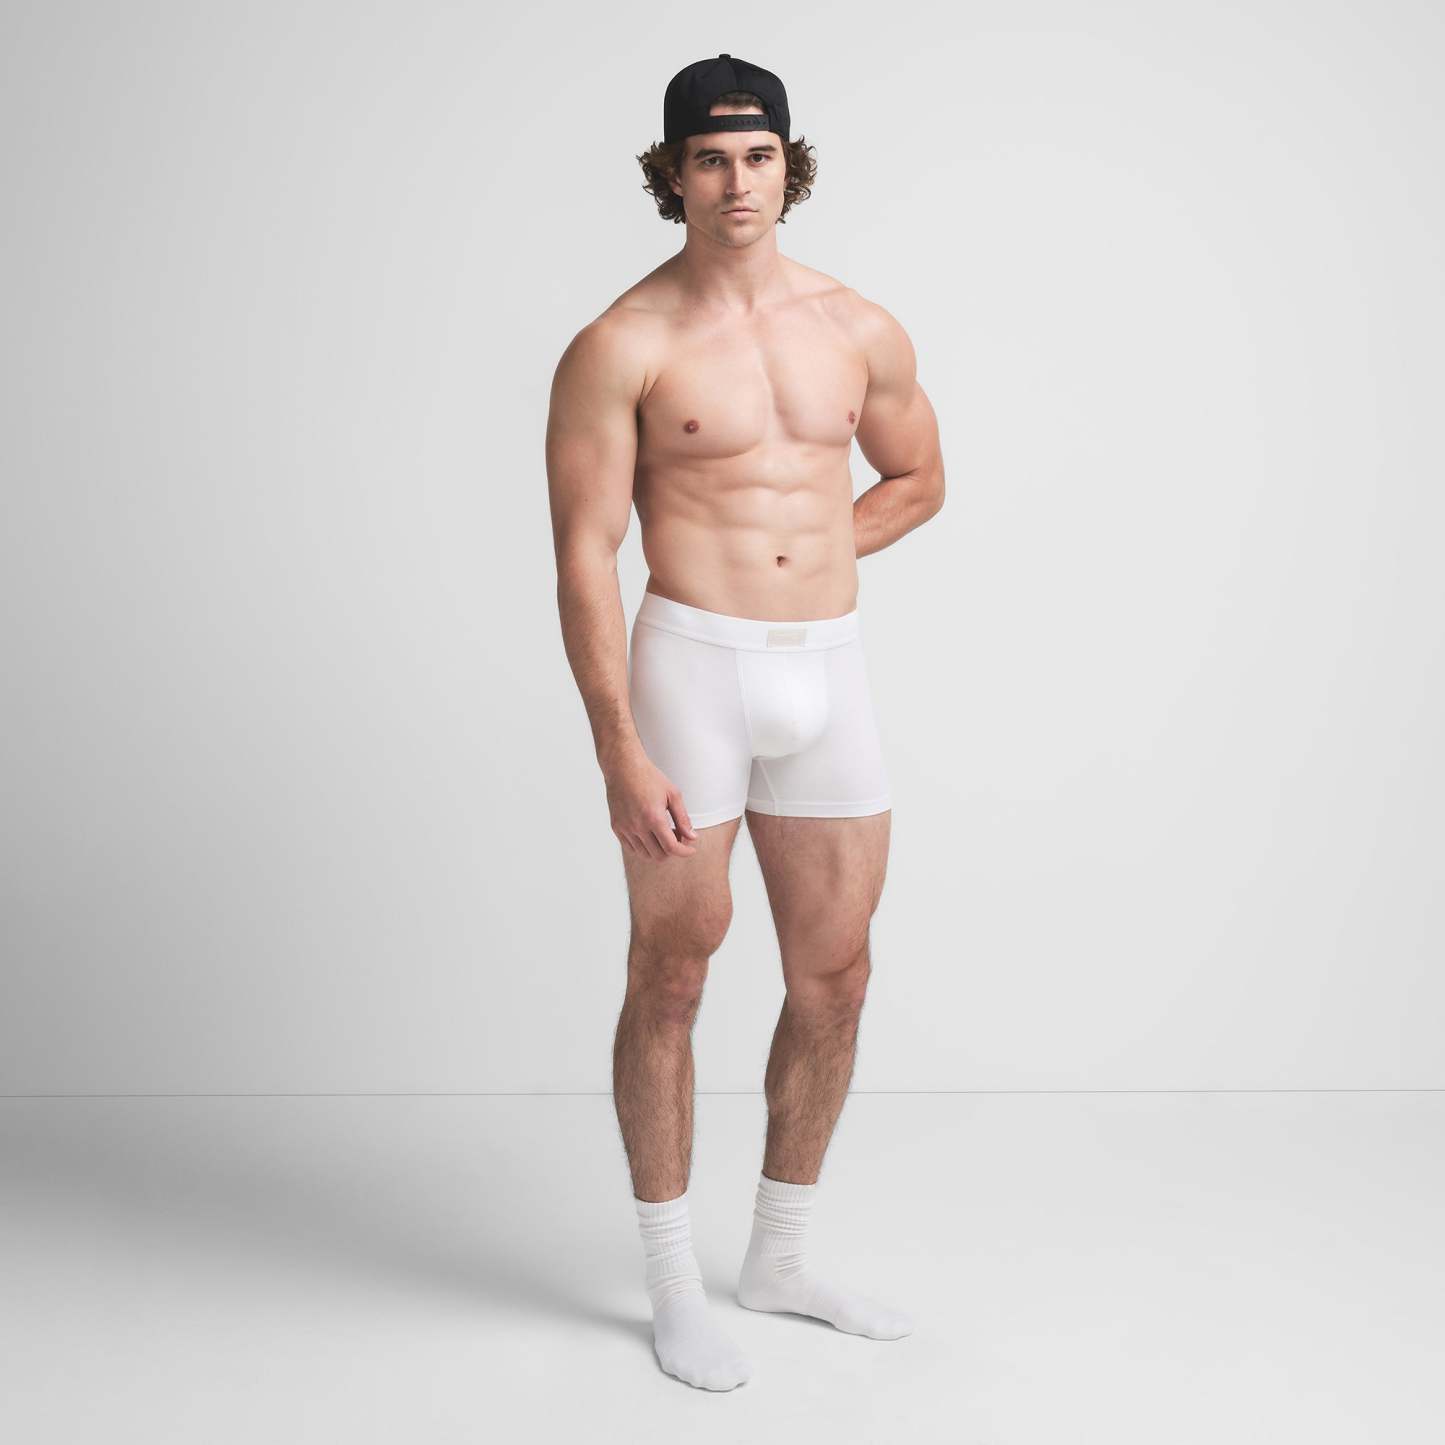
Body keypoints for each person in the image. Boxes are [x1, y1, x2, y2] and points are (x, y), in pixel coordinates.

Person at [545, 53, 945, 1391]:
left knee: (837, 977)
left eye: (758, 156)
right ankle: (672, 1285)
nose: (737, 182)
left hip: (827, 670)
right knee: (672, 975)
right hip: (692, 673)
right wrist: (617, 747)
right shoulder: (622, 343)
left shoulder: (858, 326)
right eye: (710, 160)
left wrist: (811, 552)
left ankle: (779, 1258)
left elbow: (917, 477)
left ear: (789, 164)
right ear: (673, 174)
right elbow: (584, 554)